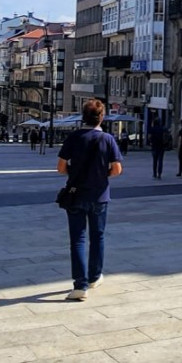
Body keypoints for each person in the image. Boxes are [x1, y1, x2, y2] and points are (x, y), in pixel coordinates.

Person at [58, 99, 123, 301]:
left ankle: (80, 285)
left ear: (82, 116)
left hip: (76, 193)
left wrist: (76, 172)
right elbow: (117, 169)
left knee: (77, 240)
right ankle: (95, 277)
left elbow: (61, 167)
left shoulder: (73, 138)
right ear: (101, 117)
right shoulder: (107, 139)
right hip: (100, 195)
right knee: (98, 237)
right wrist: (100, 176)